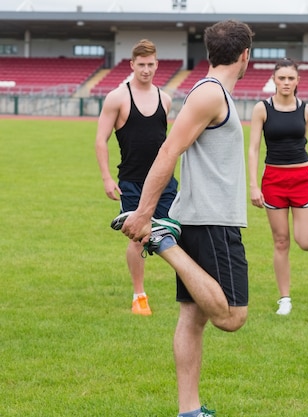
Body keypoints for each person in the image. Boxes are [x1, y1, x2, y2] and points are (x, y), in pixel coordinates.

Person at [110, 20, 254, 417]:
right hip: (212, 220)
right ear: (245, 56)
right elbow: (168, 151)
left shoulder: (212, 92)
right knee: (231, 316)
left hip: (203, 216)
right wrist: (144, 216)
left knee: (192, 317)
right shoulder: (210, 95)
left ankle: (188, 411)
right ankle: (162, 242)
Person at [95, 38, 176, 316]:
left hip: (164, 182)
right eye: (140, 65)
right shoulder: (117, 97)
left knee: (173, 233)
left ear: (157, 65)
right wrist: (107, 177)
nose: (145, 70)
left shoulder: (165, 99)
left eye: (150, 64)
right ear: (132, 65)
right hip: (131, 180)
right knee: (137, 237)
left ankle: (189, 291)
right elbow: (100, 139)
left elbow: (167, 143)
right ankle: (139, 295)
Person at [248, 58, 308, 315]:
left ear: (298, 81)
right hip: (273, 180)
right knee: (280, 241)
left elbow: (303, 140)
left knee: (306, 242)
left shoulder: (306, 110)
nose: (286, 83)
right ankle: (284, 298)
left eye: (291, 78)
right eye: (281, 78)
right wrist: (254, 185)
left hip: (302, 179)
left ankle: (286, 295)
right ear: (274, 81)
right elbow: (254, 148)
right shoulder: (261, 109)